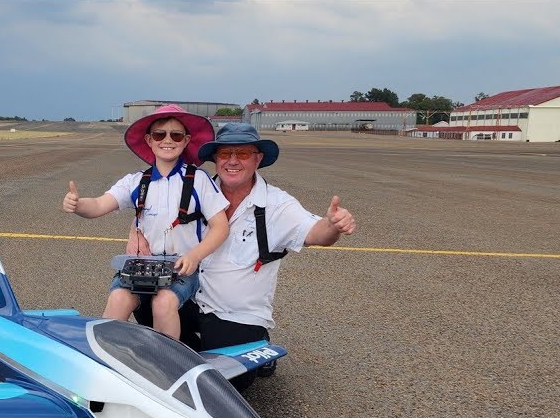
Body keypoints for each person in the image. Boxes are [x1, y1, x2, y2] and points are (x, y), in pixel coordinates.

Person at [187, 122, 357, 391]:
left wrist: (333, 225)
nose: (232, 161)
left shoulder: (277, 205)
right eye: (225, 154)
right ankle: (203, 347)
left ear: (258, 159)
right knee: (148, 307)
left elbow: (315, 233)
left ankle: (258, 344)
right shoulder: (196, 193)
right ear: (215, 159)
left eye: (242, 154)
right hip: (190, 300)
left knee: (223, 387)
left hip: (236, 314)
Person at [62, 104, 229, 341]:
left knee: (164, 302)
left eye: (176, 135)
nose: (167, 140)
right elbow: (99, 205)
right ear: (150, 140)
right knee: (118, 298)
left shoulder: (198, 180)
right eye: (160, 134)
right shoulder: (137, 181)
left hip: (181, 267)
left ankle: (166, 361)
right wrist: (78, 205)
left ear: (186, 141)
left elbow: (221, 227)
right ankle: (105, 358)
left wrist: (194, 256)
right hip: (142, 265)